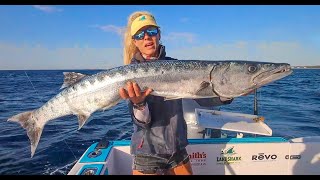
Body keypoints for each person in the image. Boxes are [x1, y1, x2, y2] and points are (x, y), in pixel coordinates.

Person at [118, 11, 233, 175]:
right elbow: (142, 122)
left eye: (151, 31)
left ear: (159, 35)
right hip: (147, 153)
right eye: (140, 34)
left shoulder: (177, 66)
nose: (147, 37)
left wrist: (228, 93)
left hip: (177, 149)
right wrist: (139, 103)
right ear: (135, 41)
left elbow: (204, 99)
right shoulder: (131, 74)